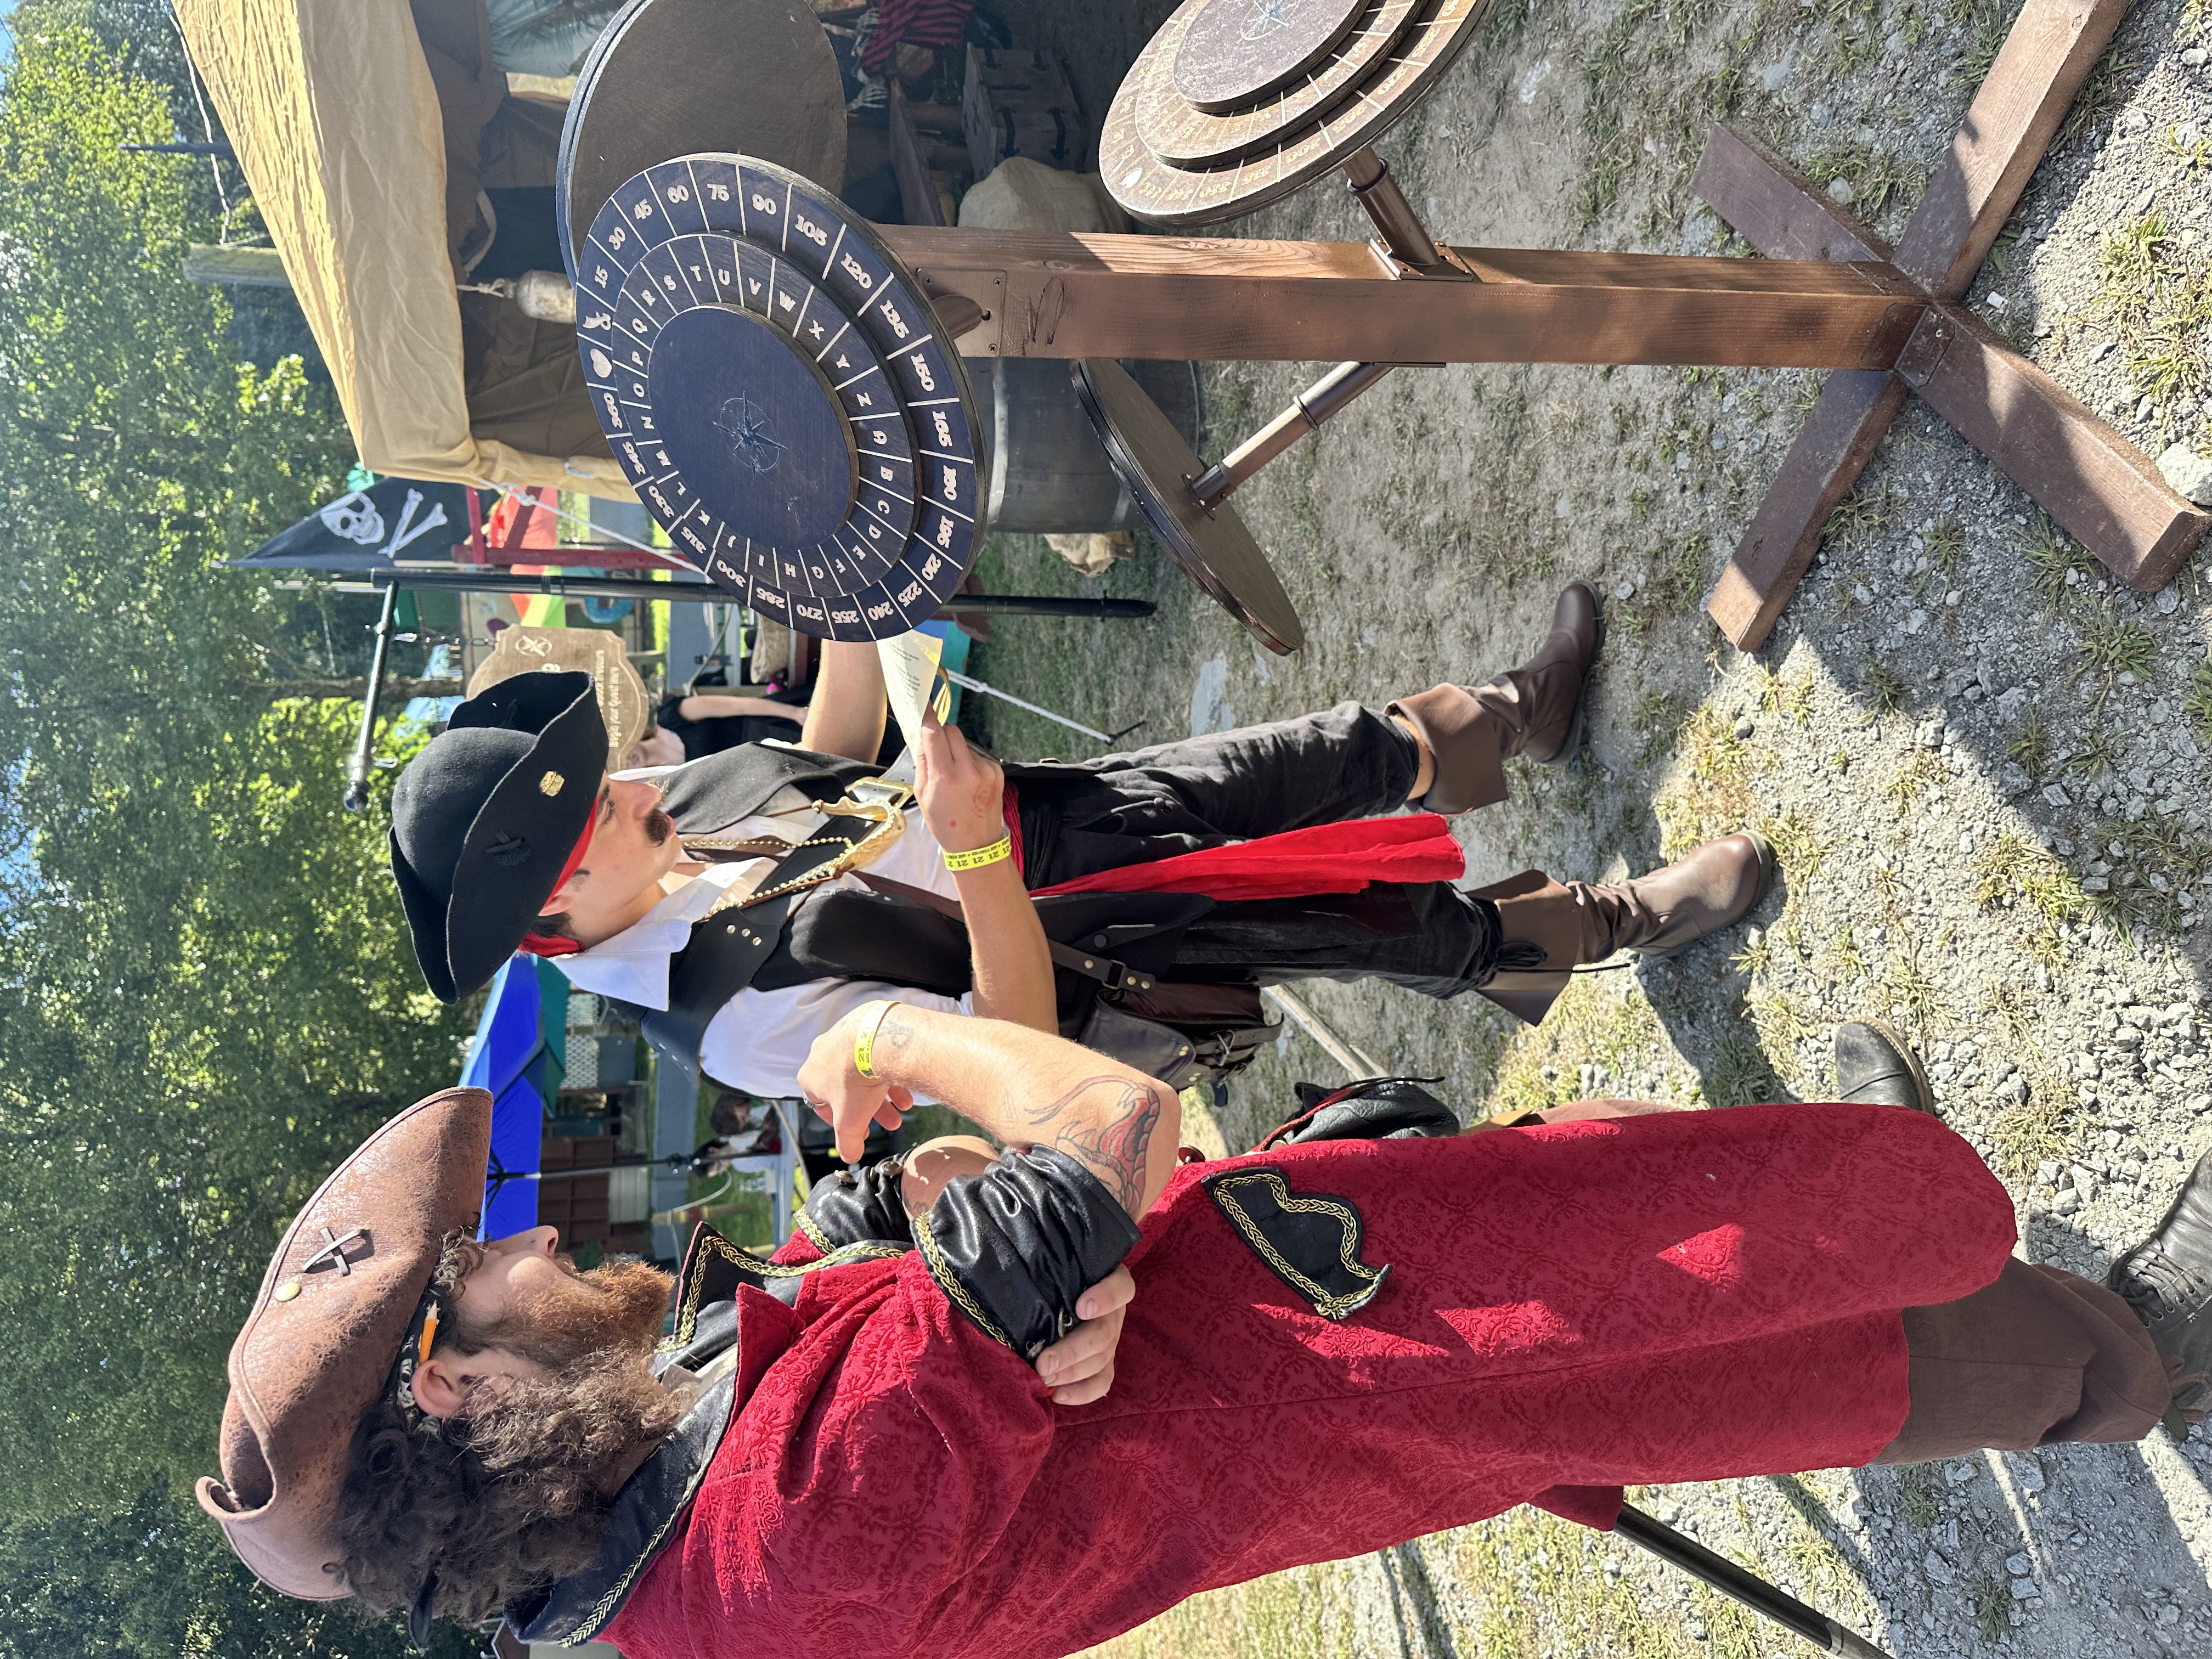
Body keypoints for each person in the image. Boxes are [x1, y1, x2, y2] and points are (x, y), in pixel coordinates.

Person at [196, 1015, 2205, 1656]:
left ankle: (2065, 1347)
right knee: (1718, 1290)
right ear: (449, 1382)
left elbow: (867, 1295)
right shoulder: (776, 1532)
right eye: (486, 1263)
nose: (533, 1239)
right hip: (1360, 1347)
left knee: (1716, 1331)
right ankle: (2125, 1357)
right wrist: (904, 1047)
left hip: (1334, 1347)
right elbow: (1113, 1130)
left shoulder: (647, 1516)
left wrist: (927, 1234)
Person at [387, 585, 1774, 1097]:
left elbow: (829, 735)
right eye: (596, 810)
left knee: (1322, 750)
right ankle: (1618, 920)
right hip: (1101, 948)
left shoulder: (668, 809)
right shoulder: (740, 1033)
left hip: (1049, 819)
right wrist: (977, 855)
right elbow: (1016, 1037)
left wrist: (859, 580)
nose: (635, 782)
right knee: (1390, 925)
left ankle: (1521, 715)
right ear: (552, 915)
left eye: (605, 772)